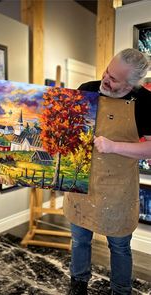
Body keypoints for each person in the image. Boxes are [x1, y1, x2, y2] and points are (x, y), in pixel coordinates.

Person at [63, 48, 151, 295]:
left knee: (120, 246)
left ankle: (121, 290)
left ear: (132, 84)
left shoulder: (145, 103)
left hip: (118, 188)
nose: (105, 78)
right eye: (107, 71)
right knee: (80, 240)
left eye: (114, 78)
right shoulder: (87, 89)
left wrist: (113, 146)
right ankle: (78, 284)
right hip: (81, 183)